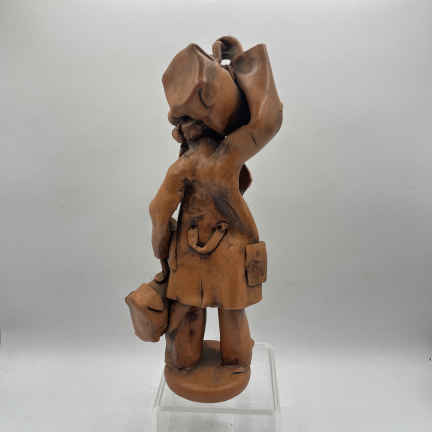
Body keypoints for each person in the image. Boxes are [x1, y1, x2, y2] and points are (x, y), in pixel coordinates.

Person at [149, 36, 283, 372]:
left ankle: (184, 363)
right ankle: (236, 365)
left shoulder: (182, 167)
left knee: (187, 311)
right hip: (232, 247)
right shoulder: (229, 154)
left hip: (189, 252)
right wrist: (245, 65)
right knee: (232, 313)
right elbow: (268, 119)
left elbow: (158, 210)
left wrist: (161, 245)